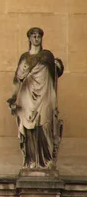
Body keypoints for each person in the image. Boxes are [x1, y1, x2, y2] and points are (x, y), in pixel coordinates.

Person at [7, 27, 64, 169]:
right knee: (29, 130)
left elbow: (56, 71)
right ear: (29, 39)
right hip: (27, 96)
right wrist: (14, 98)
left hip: (44, 96)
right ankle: (31, 161)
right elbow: (18, 79)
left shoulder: (47, 56)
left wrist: (58, 65)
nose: (36, 38)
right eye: (33, 36)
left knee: (45, 126)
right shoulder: (24, 58)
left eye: (38, 36)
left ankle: (46, 161)